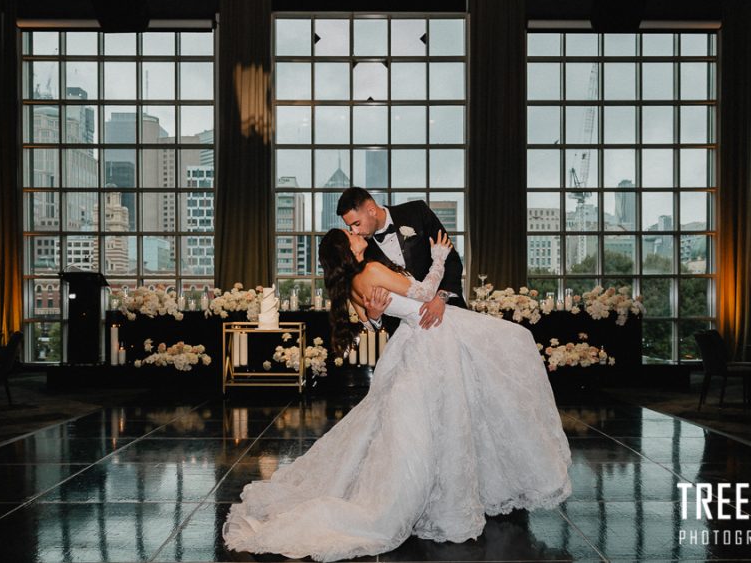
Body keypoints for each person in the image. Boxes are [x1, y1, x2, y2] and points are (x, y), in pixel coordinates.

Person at [223, 228, 572, 562]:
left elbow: (370, 322)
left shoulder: (351, 284)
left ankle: (443, 492)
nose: (357, 235)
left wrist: (376, 315)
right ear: (347, 250)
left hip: (414, 338)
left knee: (437, 417)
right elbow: (426, 292)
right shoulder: (372, 270)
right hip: (431, 335)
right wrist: (439, 257)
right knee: (514, 345)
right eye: (351, 235)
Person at [337, 186, 464, 333]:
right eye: (350, 227)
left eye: (357, 224)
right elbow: (371, 321)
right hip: (405, 331)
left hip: (449, 314)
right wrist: (374, 315)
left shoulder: (416, 211)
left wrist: (441, 298)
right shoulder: (362, 251)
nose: (355, 231)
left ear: (371, 210)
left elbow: (451, 259)